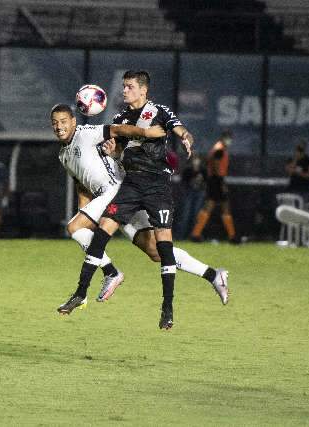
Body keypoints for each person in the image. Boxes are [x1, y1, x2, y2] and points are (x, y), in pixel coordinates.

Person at [51, 100, 228, 326]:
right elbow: (82, 186)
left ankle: (111, 273)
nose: (59, 126)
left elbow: (116, 129)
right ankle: (214, 275)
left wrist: (145, 132)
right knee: (156, 252)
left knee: (74, 227)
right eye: (55, 123)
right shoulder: (63, 155)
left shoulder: (86, 133)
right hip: (117, 199)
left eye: (64, 121)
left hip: (117, 189)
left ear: (74, 121)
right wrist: (84, 212)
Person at [190, 131, 238, 243]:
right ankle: (232, 236)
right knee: (223, 206)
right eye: (228, 138)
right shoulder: (220, 149)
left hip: (213, 180)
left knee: (209, 206)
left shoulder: (216, 148)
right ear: (223, 138)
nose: (229, 140)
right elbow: (216, 165)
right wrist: (221, 182)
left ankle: (196, 234)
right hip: (217, 180)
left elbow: (209, 163)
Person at [175, 155, 206, 240]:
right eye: (194, 159)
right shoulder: (188, 170)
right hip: (189, 193)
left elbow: (206, 181)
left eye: (197, 159)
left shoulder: (203, 169)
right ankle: (180, 236)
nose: (196, 161)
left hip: (199, 193)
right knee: (185, 214)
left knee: (196, 215)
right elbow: (183, 182)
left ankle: (194, 235)